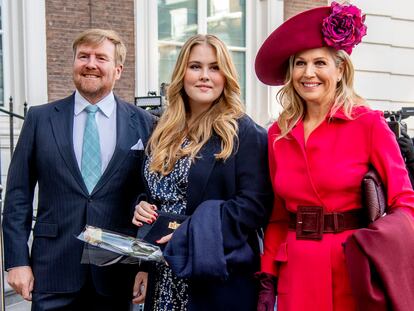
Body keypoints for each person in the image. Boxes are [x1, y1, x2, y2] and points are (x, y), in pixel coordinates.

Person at [254, 2, 414, 311]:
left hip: (353, 272)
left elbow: (404, 202)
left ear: (340, 70)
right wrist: (267, 278)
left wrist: (374, 245)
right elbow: (277, 216)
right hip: (295, 277)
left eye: (320, 63)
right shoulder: (278, 134)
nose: (308, 73)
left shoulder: (368, 124)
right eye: (299, 63)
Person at [2, 29, 155, 310]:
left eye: (101, 57)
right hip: (52, 270)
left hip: (118, 272)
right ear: (73, 63)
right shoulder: (40, 118)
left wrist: (146, 265)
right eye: (83, 56)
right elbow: (17, 196)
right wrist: (17, 261)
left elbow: (151, 198)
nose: (90, 64)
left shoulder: (145, 123)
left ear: (118, 70)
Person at [131, 34, 273, 310]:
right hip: (163, 272)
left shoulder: (244, 133)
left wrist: (194, 232)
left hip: (215, 275)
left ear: (226, 76)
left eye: (214, 67)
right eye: (195, 66)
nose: (205, 76)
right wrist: (141, 207)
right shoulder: (162, 131)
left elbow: (254, 206)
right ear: (182, 73)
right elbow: (155, 193)